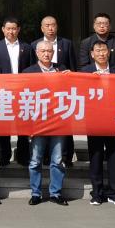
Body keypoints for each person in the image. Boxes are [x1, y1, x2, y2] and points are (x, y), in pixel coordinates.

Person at [23, 40, 69, 206]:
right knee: (35, 160)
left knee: (57, 160)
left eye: (49, 51)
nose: (46, 54)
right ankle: (36, 193)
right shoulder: (28, 72)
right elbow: (23, 98)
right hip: (37, 122)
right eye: (43, 51)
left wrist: (70, 78)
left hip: (58, 121)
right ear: (37, 53)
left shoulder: (62, 69)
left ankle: (55, 193)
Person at [80, 41, 115, 206]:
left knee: (114, 156)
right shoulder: (85, 72)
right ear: (92, 54)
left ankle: (114, 192)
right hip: (93, 120)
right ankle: (97, 193)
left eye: (104, 50)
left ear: (109, 52)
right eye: (98, 51)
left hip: (114, 120)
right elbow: (79, 92)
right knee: (96, 156)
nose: (101, 53)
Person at [0, 16, 34, 167]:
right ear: (3, 30)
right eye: (8, 29)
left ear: (18, 30)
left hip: (23, 91)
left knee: (23, 124)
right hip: (4, 91)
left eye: (14, 28)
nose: (11, 31)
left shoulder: (27, 47)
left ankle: (23, 156)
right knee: (3, 125)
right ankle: (4, 156)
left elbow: (32, 69)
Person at [33, 15, 77, 168]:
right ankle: (45, 157)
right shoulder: (34, 45)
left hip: (61, 98)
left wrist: (71, 77)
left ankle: (66, 157)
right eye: (47, 25)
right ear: (42, 28)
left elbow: (72, 66)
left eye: (53, 25)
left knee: (64, 129)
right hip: (41, 99)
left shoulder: (67, 44)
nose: (50, 28)